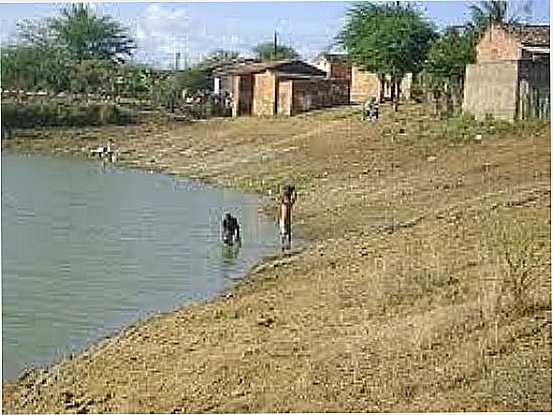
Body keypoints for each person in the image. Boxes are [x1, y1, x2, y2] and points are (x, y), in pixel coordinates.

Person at [279, 184, 297, 251]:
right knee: (287, 233)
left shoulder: (286, 203)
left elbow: (293, 198)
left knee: (285, 233)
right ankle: (287, 245)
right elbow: (294, 198)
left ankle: (284, 245)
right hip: (285, 220)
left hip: (284, 220)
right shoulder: (288, 203)